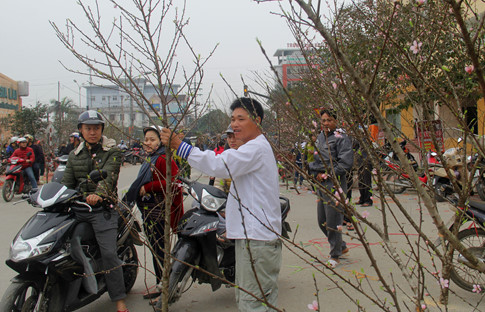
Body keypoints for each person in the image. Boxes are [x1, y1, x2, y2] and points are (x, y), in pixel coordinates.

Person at [161, 97, 282, 312]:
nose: (234, 124)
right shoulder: (252, 148)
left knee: (252, 304)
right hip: (254, 238)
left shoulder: (255, 148)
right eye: (233, 119)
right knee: (257, 300)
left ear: (258, 121)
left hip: (257, 241)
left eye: (241, 119)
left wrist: (180, 147)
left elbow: (219, 165)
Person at [61, 110, 129, 312]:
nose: (92, 132)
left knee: (109, 254)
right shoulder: (74, 155)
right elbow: (66, 183)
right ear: (80, 130)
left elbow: (108, 178)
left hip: (102, 209)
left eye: (96, 128)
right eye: (88, 128)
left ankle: (119, 300)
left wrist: (99, 195)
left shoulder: (112, 151)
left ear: (101, 130)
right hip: (79, 208)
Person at [123, 125, 184, 303]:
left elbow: (173, 181)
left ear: (161, 141)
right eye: (146, 139)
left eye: (152, 139)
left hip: (160, 212)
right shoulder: (151, 158)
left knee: (161, 251)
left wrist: (147, 187)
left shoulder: (163, 158)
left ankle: (167, 289)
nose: (148, 143)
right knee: (157, 250)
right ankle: (161, 285)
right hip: (149, 211)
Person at [309, 109, 353, 268]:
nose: (326, 124)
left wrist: (327, 174)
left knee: (333, 221)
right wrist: (314, 171)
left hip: (335, 184)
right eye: (323, 121)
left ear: (336, 121)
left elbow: (345, 164)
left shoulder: (341, 138)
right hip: (321, 184)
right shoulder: (321, 137)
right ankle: (341, 246)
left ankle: (335, 255)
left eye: (329, 120)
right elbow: (317, 160)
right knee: (322, 221)